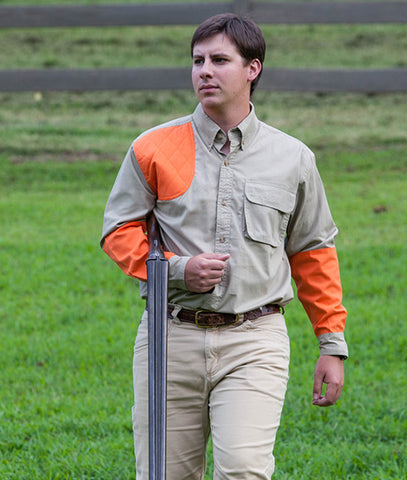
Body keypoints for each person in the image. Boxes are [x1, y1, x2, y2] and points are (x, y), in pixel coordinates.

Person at [101, 13, 348, 480]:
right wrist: (177, 269)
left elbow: (314, 251)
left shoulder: (292, 158)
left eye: (219, 60)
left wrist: (331, 344)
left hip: (255, 339)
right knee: (164, 475)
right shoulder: (152, 148)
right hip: (169, 337)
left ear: (252, 69)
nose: (204, 72)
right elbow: (118, 231)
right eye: (197, 61)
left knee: (244, 471)